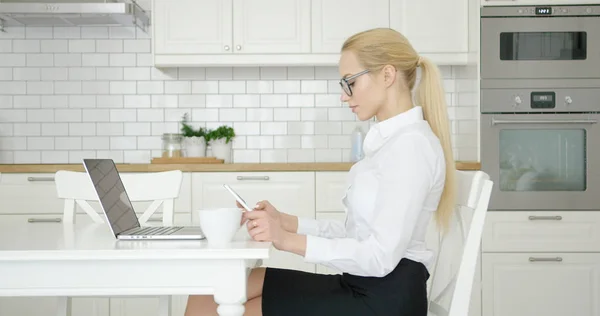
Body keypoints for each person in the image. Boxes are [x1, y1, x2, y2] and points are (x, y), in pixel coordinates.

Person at [184, 27, 456, 316]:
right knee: (210, 290)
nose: (343, 95)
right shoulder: (392, 143)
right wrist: (286, 223)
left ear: (387, 75)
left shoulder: (411, 148)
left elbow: (379, 256)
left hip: (383, 300)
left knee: (224, 305)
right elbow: (358, 234)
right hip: (362, 284)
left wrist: (287, 240)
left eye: (350, 82)